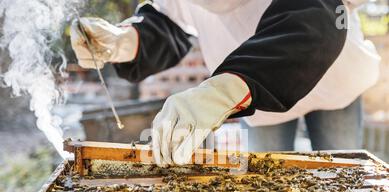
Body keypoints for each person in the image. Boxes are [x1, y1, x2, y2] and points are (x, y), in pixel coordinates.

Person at [71, 0, 380, 166]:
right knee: (269, 187)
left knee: (342, 171)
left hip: (332, 77)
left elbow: (316, 20)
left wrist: (222, 91)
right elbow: (167, 21)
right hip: (255, 99)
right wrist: (123, 40)